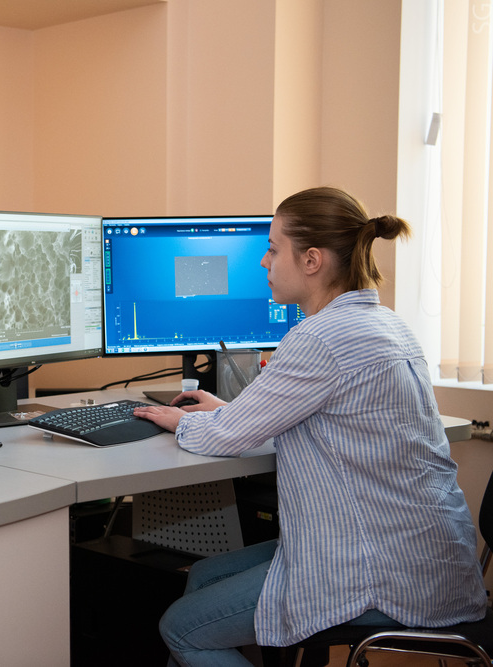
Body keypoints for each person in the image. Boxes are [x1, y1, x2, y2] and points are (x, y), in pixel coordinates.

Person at [132, 186, 487, 667]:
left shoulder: (320, 338)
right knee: (204, 576)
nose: (263, 261)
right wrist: (224, 411)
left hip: (379, 570)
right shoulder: (387, 324)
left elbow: (226, 437)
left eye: (274, 249)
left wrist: (180, 422)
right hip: (428, 559)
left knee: (181, 629)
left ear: (312, 260)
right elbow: (305, 417)